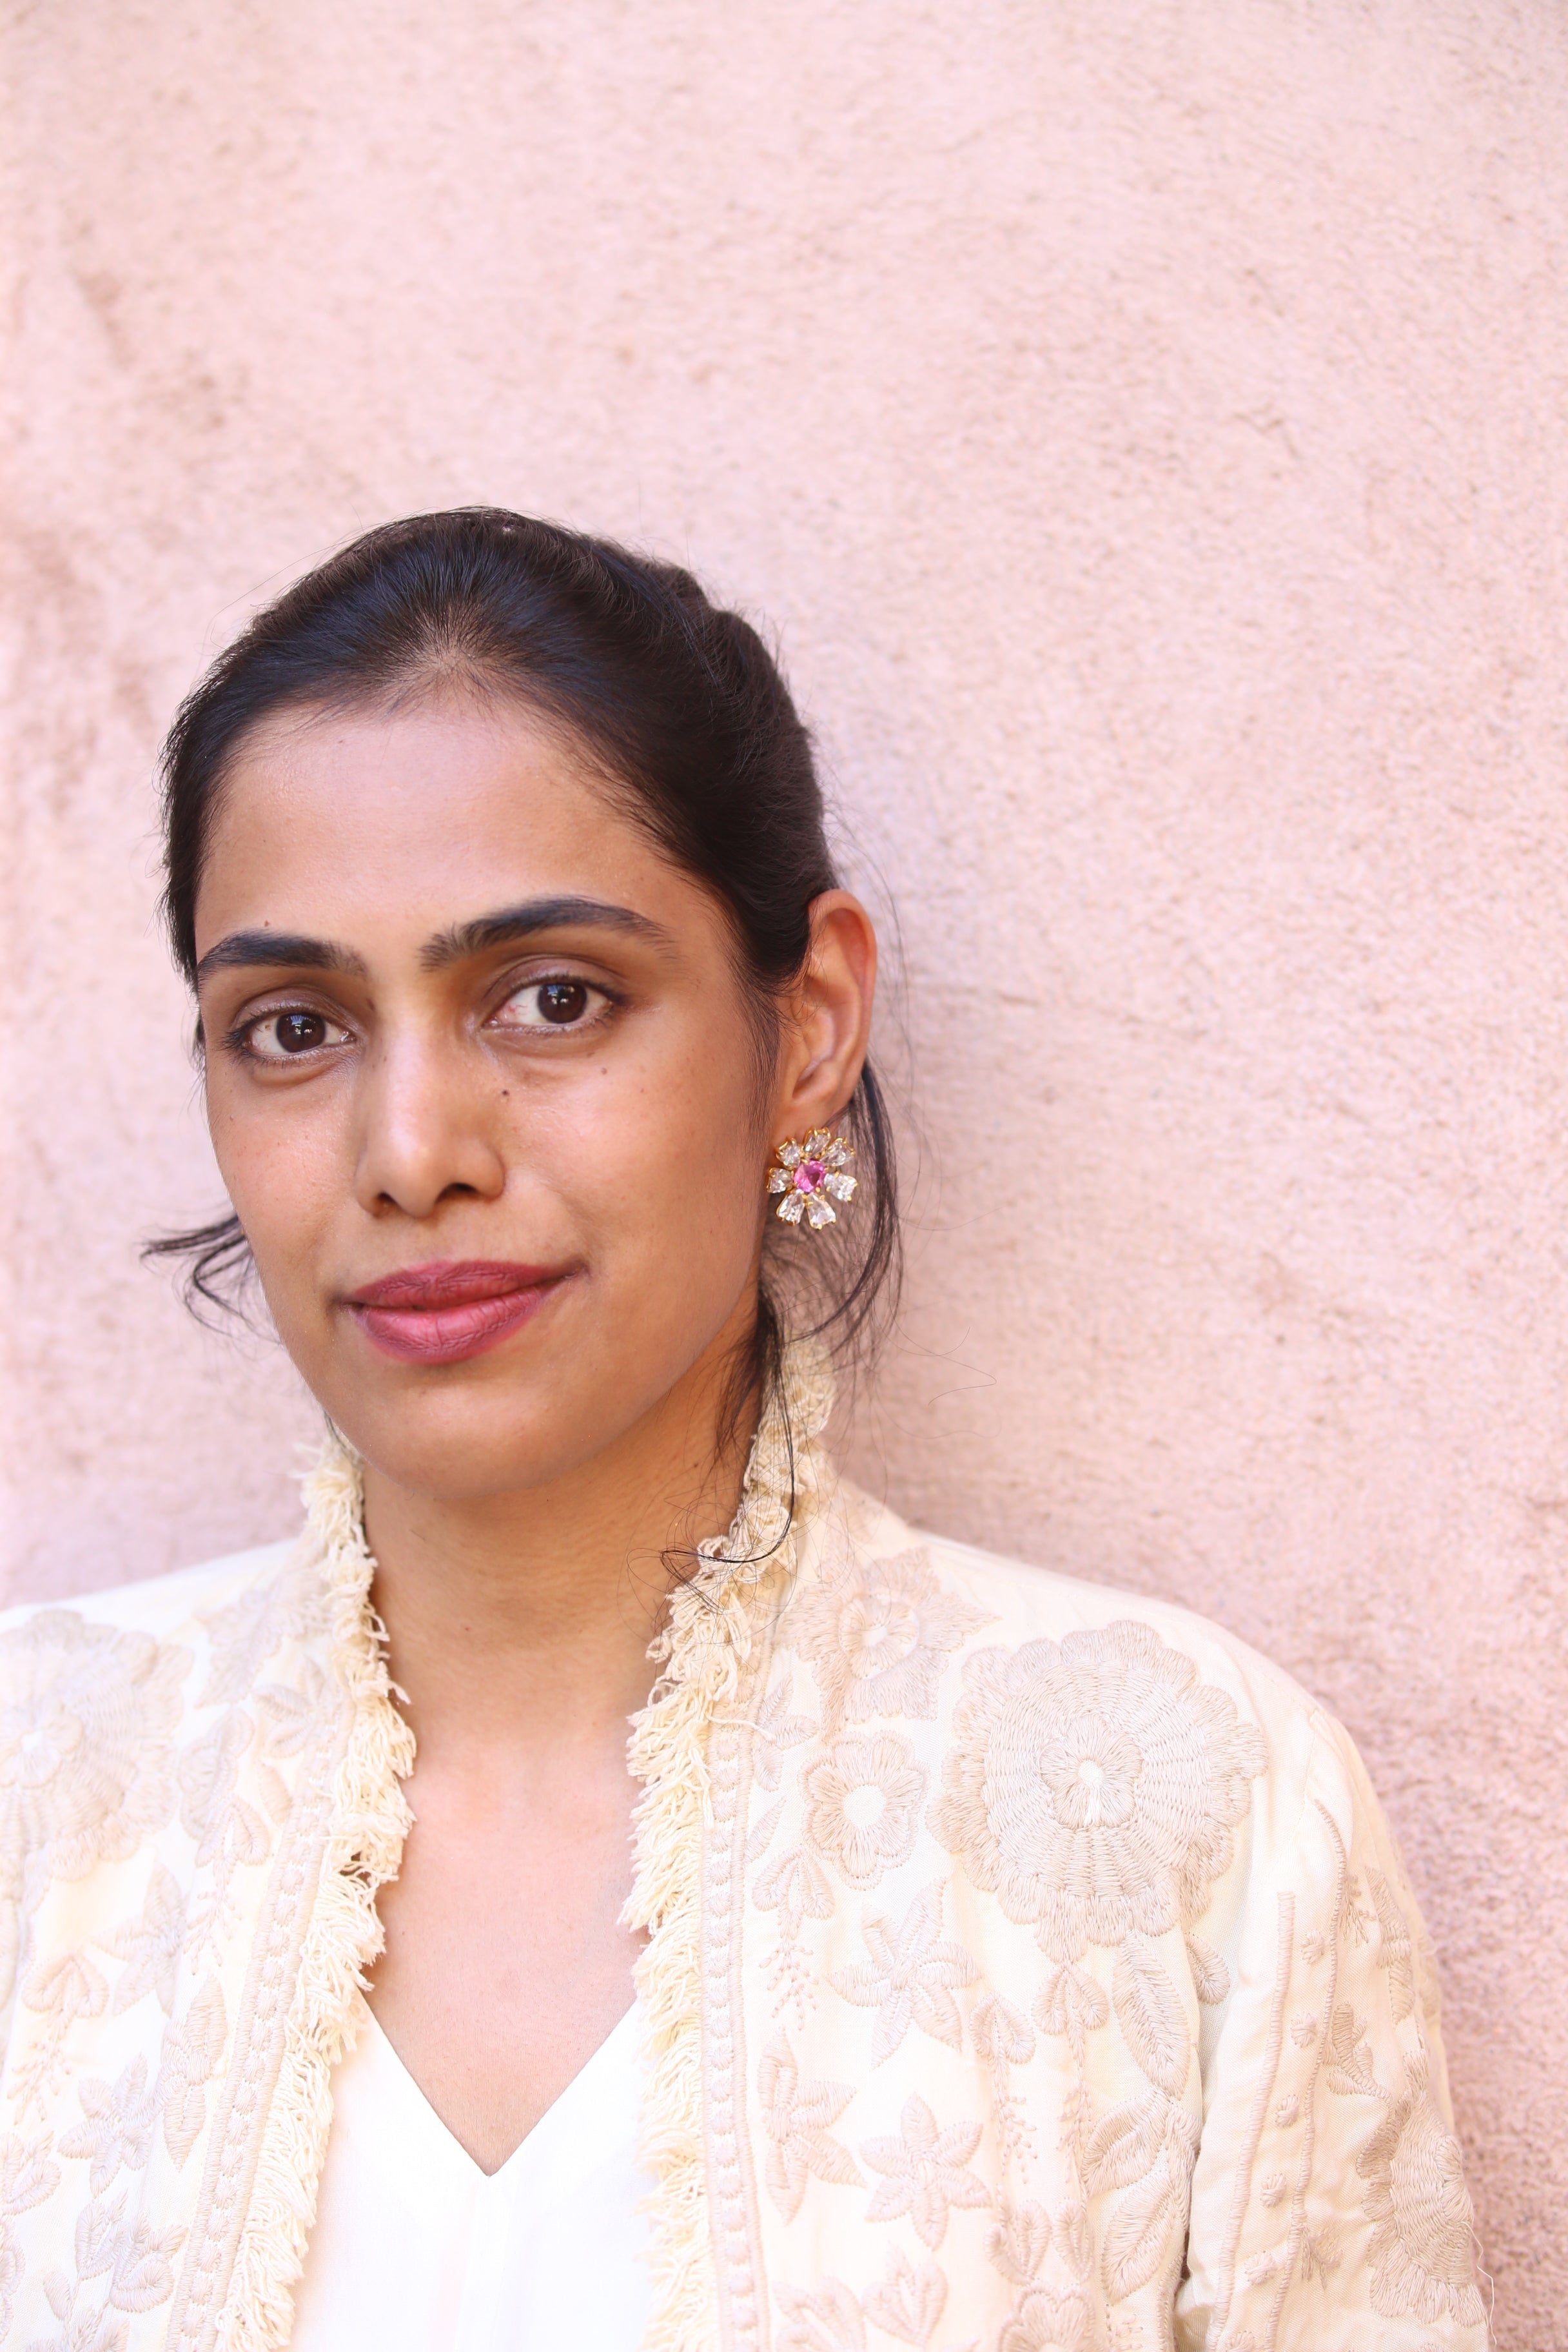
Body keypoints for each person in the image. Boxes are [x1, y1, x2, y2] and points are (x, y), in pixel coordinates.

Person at [0, 511, 1487, 2352]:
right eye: (294, 1027)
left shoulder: (1188, 1819)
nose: (409, 1151)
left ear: (808, 1025)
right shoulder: (36, 1800)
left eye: (553, 999)